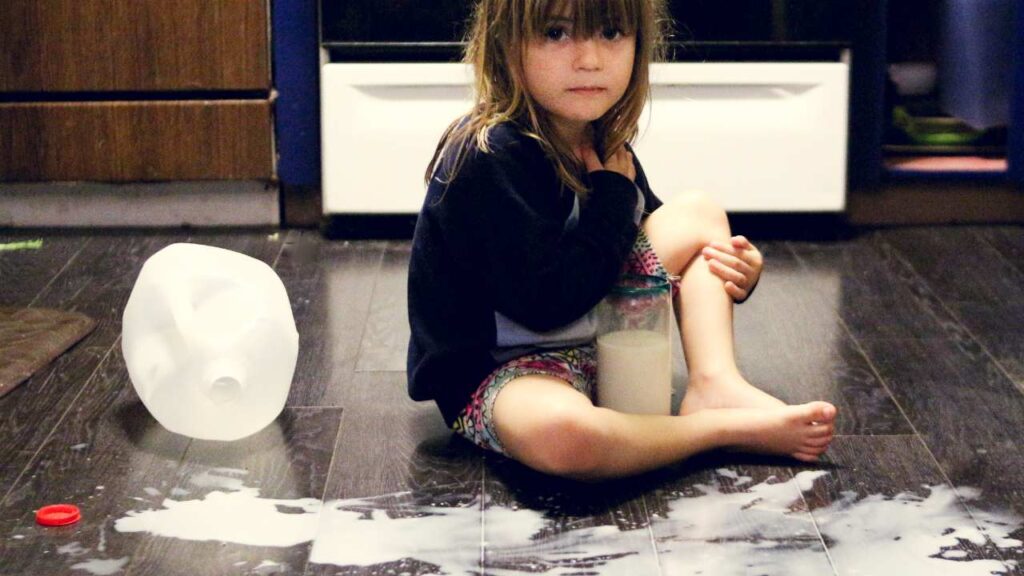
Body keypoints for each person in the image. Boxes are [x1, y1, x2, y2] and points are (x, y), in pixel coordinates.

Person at [406, 0, 837, 481]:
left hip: (592, 335)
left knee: (698, 214)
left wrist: (738, 268)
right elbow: (544, 302)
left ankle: (715, 385)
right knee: (565, 435)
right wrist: (612, 196)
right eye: (555, 33)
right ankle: (714, 431)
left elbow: (641, 239)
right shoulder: (487, 156)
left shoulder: (600, 141)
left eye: (611, 33)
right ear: (506, 45)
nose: (589, 59)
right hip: (504, 371)